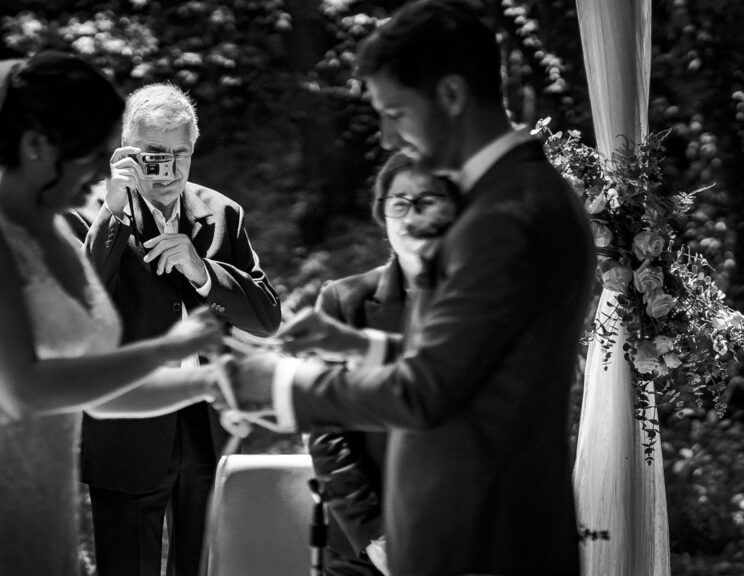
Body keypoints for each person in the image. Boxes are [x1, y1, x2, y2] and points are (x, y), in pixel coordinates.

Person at [228, 1, 595, 574]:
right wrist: (361, 346)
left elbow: (426, 392)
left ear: (450, 95)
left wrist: (279, 383)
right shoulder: (510, 196)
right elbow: (475, 367)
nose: (385, 135)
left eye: (395, 112)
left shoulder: (503, 216)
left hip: (477, 538)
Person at [0, 52, 227, 576]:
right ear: (35, 145)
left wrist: (206, 379)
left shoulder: (60, 242)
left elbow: (102, 393)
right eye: (87, 150)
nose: (100, 166)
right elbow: (30, 386)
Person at [81, 83, 282, 576]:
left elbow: (265, 318)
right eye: (154, 155)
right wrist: (113, 212)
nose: (169, 170)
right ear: (127, 151)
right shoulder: (90, 211)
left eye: (181, 154)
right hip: (127, 425)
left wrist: (204, 272)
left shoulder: (223, 213)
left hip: (208, 426)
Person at [300, 153, 460, 576]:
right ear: (382, 213)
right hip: (367, 549)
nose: (412, 216)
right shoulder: (343, 301)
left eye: (428, 202)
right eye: (399, 204)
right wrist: (375, 536)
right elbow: (325, 430)